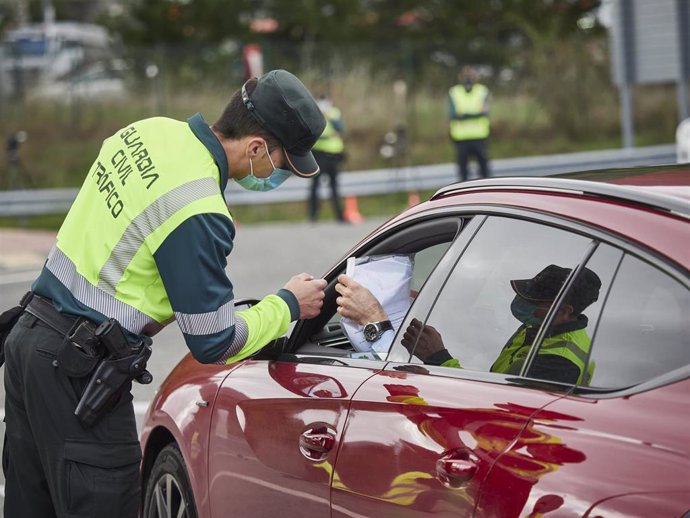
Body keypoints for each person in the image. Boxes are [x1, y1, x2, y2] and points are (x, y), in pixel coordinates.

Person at [1, 69, 328, 518]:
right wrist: (288, 304)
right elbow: (214, 341)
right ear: (256, 147)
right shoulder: (199, 208)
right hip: (79, 375)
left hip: (28, 343)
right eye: (282, 166)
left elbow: (122, 247)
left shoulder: (148, 131)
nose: (277, 177)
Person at [336, 264, 601, 385]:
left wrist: (437, 357)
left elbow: (491, 407)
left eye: (531, 300)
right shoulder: (543, 327)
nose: (520, 302)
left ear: (565, 311)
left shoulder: (557, 363)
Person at [448, 65, 491, 182]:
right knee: (463, 173)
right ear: (460, 77)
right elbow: (452, 115)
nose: (468, 78)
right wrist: (476, 113)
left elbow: (485, 112)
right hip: (461, 138)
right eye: (465, 76)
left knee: (485, 171)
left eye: (470, 75)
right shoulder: (454, 92)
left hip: (480, 137)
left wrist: (464, 115)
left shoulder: (482, 91)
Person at [308, 93, 346, 222]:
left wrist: (328, 114)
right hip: (319, 154)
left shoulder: (334, 113)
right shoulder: (313, 114)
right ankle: (313, 216)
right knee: (315, 186)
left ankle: (339, 216)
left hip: (334, 154)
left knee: (334, 186)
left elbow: (340, 128)